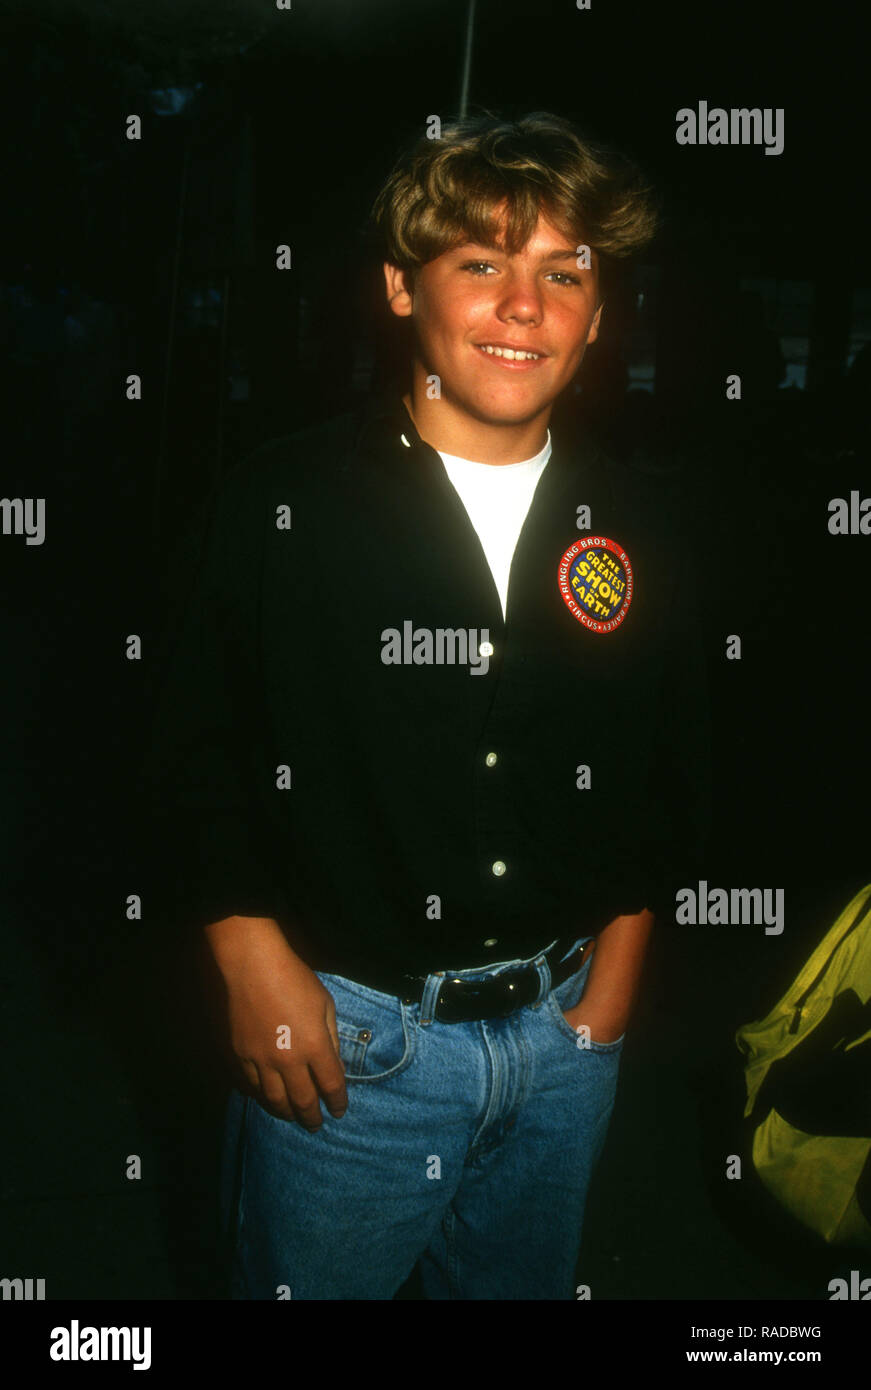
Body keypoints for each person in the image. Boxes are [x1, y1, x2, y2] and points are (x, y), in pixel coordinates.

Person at [143, 111, 710, 1300]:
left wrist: (610, 988)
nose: (524, 305)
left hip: (563, 1046)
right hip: (351, 1057)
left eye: (564, 273)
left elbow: (665, 756)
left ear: (598, 316)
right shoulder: (278, 503)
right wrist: (246, 951)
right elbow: (184, 739)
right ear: (403, 290)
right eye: (481, 264)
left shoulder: (640, 518)